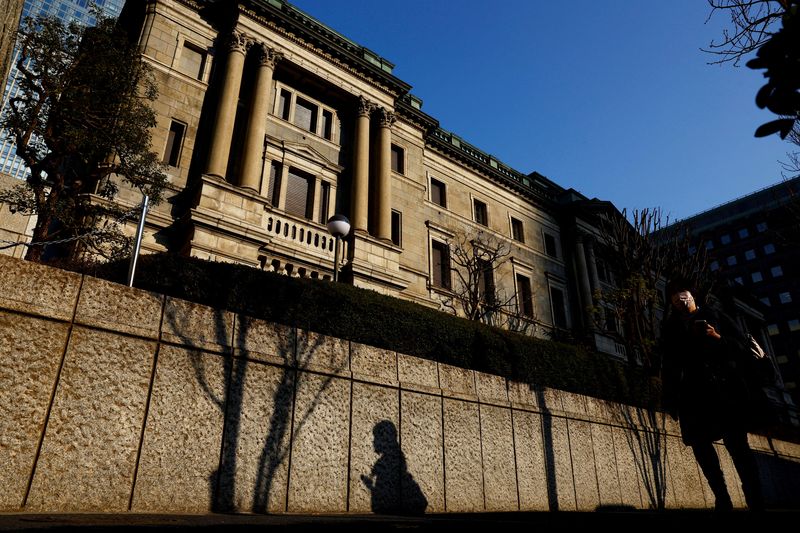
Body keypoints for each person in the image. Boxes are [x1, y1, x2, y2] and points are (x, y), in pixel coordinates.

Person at [661, 277, 765, 512]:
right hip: (692, 396)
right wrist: (669, 399)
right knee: (701, 448)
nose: (679, 298)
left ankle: (755, 501)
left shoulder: (716, 315)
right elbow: (668, 365)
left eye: (682, 292)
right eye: (673, 295)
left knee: (739, 450)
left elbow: (742, 349)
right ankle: (722, 498)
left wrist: (717, 337)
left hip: (725, 393)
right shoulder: (670, 327)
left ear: (693, 294)